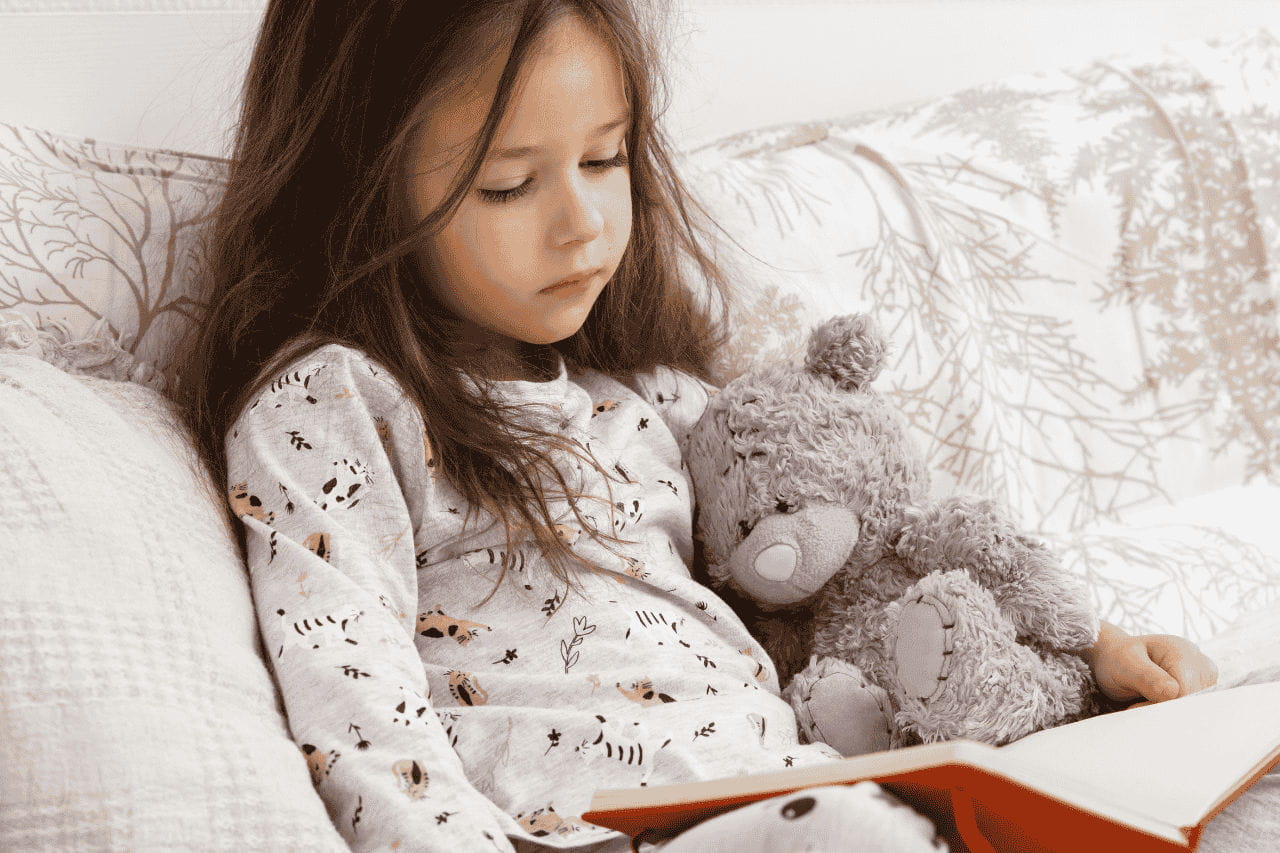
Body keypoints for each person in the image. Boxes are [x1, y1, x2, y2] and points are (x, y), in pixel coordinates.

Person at [167, 2, 1236, 851]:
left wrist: (1093, 656)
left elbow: (880, 568)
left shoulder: (659, 402)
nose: (580, 223)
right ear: (362, 187)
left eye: (603, 160)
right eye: (504, 185)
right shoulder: (338, 403)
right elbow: (357, 717)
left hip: (799, 792)